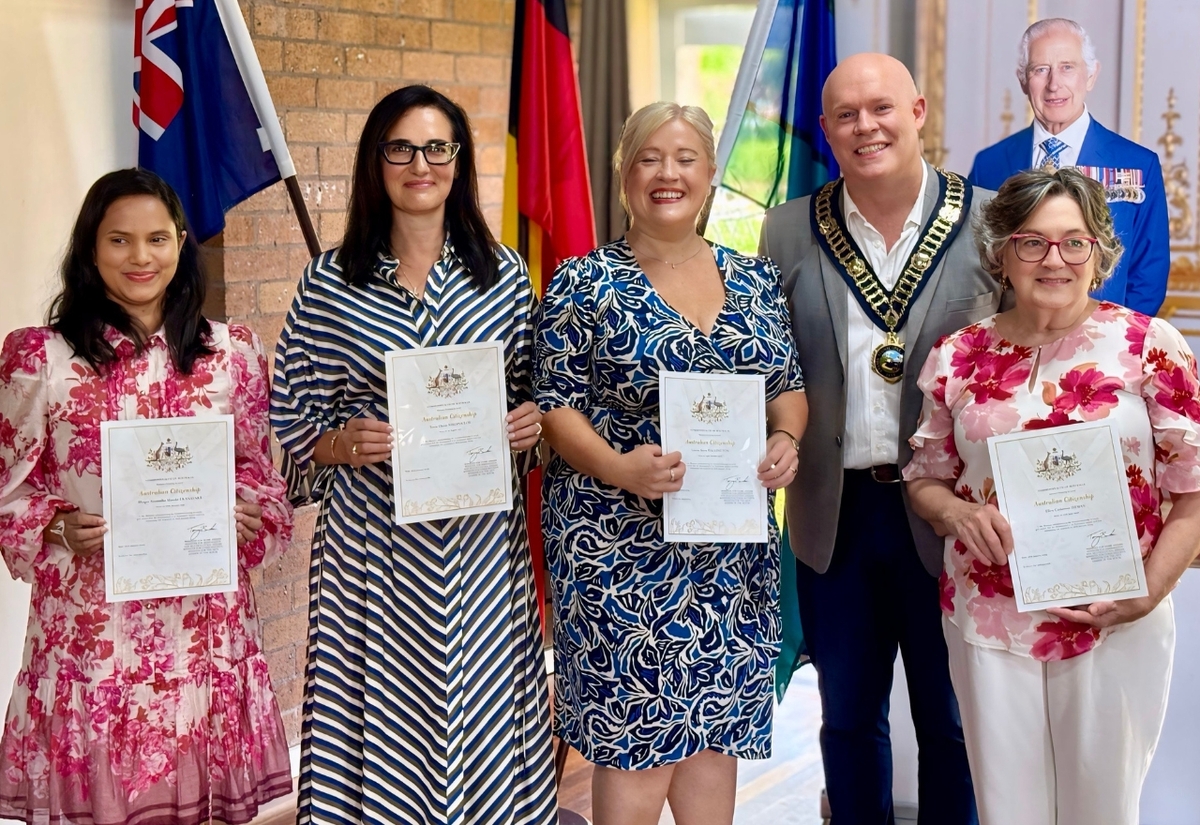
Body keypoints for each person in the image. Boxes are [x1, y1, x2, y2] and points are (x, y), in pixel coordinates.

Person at [270, 85, 554, 825]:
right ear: (376, 162)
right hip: (371, 551)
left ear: (459, 162)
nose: (419, 163)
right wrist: (339, 442)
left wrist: (529, 427)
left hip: (480, 554)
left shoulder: (504, 277)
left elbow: (533, 402)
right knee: (374, 715)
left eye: (437, 147)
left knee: (486, 711)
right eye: (400, 147)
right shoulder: (328, 282)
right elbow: (292, 416)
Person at [535, 102, 807, 825]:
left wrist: (788, 442)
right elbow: (555, 408)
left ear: (711, 173)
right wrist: (621, 468)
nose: (668, 173)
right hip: (616, 546)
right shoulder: (580, 283)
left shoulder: (753, 280)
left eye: (685, 157)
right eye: (650, 157)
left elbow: (788, 390)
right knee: (635, 748)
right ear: (624, 176)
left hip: (729, 550)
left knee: (714, 741)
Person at [904, 167, 1200, 825]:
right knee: (1008, 811)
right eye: (1032, 242)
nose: (1054, 259)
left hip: (1114, 618)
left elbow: (1194, 493)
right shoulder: (958, 355)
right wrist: (955, 511)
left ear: (1100, 251)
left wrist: (1145, 593)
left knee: (1103, 811)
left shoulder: (1150, 347)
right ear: (1002, 252)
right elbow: (924, 475)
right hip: (989, 615)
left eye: (1074, 242)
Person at [0, 168, 293, 824]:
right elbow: (12, 490)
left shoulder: (232, 353)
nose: (140, 257)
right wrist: (57, 525)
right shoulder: (40, 358)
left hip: (202, 629)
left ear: (182, 243)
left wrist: (250, 511)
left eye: (157, 239)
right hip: (91, 628)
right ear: (90, 249)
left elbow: (260, 472)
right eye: (119, 241)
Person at [759, 53, 1004, 823]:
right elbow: (769, 362)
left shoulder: (994, 220)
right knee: (847, 720)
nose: (866, 126)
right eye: (846, 115)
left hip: (955, 514)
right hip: (836, 515)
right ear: (827, 129)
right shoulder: (789, 227)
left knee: (954, 722)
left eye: (881, 108)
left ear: (919, 110)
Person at [969, 18, 1169, 317]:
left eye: (1067, 67)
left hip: (1103, 343)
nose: (1054, 84)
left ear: (1090, 75)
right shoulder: (990, 164)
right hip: (1015, 339)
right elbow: (976, 262)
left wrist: (1115, 341)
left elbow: (1148, 273)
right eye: (1040, 70)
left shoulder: (1138, 164)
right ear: (1023, 80)